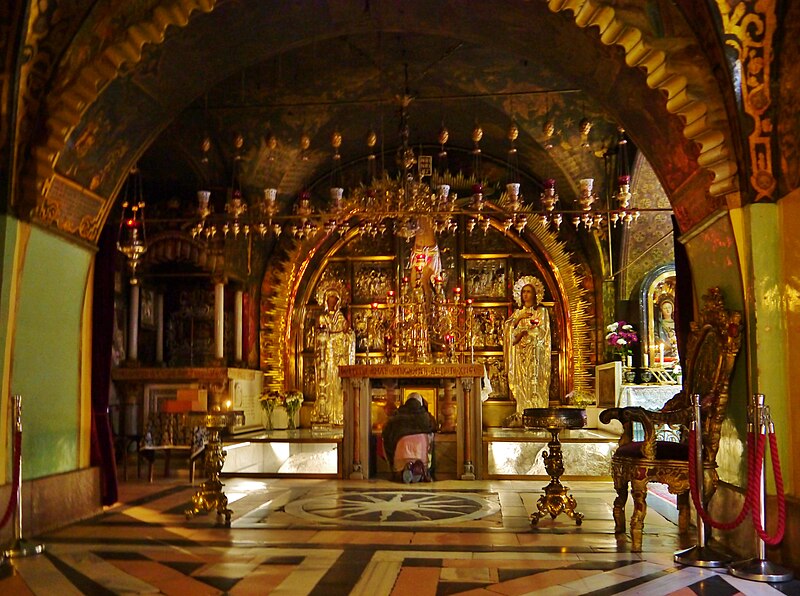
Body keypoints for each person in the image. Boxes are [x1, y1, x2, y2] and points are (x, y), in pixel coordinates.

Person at [504, 275, 551, 424]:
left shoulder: (541, 312)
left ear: (535, 294)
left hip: (536, 354)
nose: (526, 294)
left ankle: (538, 413)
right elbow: (508, 334)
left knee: (535, 382)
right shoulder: (517, 313)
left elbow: (544, 333)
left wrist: (531, 332)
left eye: (529, 291)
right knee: (522, 383)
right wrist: (519, 319)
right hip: (520, 355)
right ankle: (522, 413)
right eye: (524, 291)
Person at [313, 281, 355, 425]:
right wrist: (333, 335)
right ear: (325, 302)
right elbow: (320, 336)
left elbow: (347, 335)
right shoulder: (322, 318)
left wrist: (344, 335)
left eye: (334, 301)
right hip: (327, 358)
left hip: (339, 356)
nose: (332, 304)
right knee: (327, 384)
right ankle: (325, 413)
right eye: (329, 301)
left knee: (339, 385)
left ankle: (339, 414)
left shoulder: (341, 318)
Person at [381, 392, 437, 482]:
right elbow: (434, 428)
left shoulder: (397, 415)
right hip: (421, 454)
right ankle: (422, 471)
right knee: (430, 438)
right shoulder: (426, 416)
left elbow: (386, 433)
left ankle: (402, 470)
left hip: (401, 454)